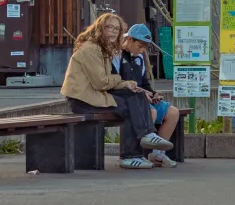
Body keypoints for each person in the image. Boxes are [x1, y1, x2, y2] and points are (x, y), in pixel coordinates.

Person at [60, 12, 173, 169]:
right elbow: (101, 82)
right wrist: (120, 80)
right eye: (109, 27)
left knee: (136, 96)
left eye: (116, 29)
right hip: (82, 100)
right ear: (100, 28)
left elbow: (108, 81)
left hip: (96, 96)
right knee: (130, 108)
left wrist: (127, 84)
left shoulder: (103, 49)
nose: (113, 31)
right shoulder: (91, 49)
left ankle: (145, 139)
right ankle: (131, 154)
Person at [116, 23, 179, 167]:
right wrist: (141, 93)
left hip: (144, 97)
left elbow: (144, 82)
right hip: (128, 99)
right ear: (129, 40)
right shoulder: (117, 56)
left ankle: (157, 154)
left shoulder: (140, 59)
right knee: (152, 112)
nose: (142, 50)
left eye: (145, 47)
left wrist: (153, 93)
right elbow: (116, 82)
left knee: (173, 112)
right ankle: (134, 154)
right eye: (140, 45)